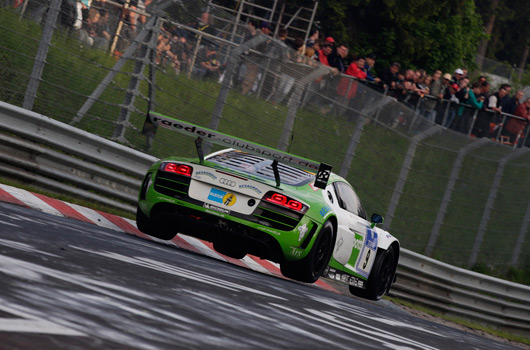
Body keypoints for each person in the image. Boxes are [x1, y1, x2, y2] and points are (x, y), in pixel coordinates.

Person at [241, 21, 272, 95]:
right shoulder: (257, 34)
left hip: (256, 60)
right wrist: (267, 43)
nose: (269, 31)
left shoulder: (265, 37)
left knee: (251, 78)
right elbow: (260, 48)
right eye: (268, 29)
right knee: (248, 77)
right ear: (264, 28)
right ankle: (242, 92)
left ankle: (244, 92)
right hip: (252, 58)